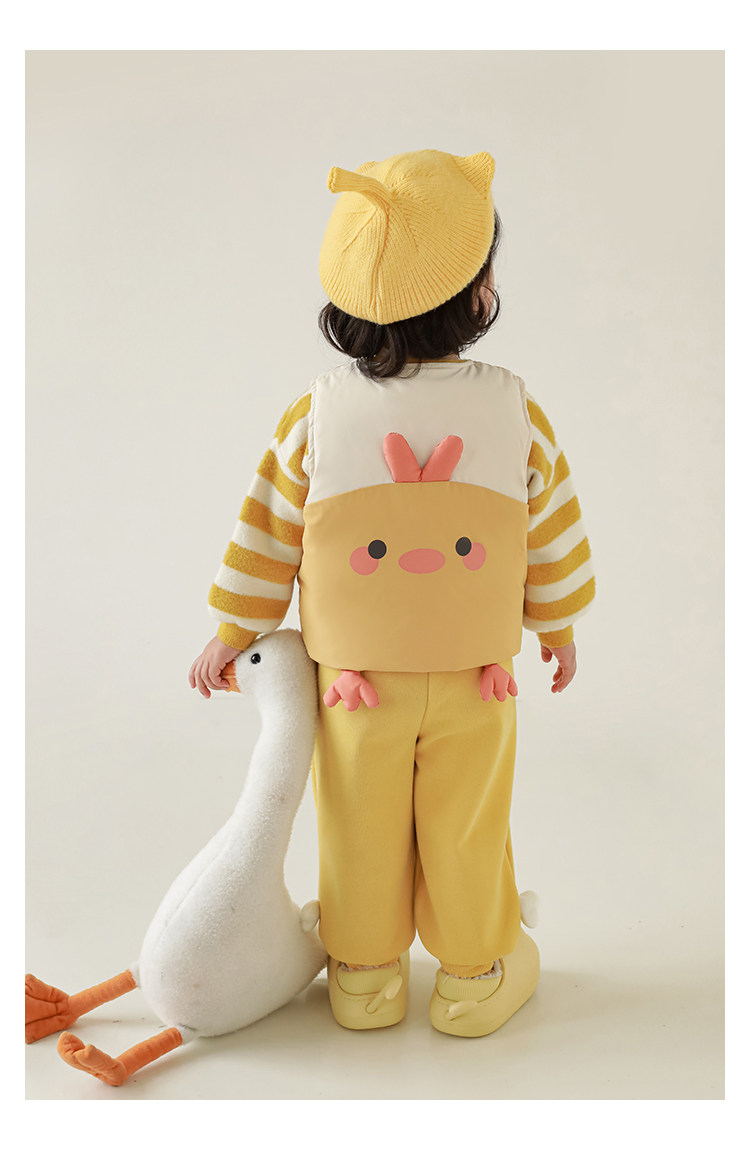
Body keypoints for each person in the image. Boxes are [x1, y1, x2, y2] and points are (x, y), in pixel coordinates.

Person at [188, 149, 595, 1037]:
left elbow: (265, 531)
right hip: (477, 679)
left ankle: (364, 976)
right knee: (467, 823)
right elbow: (552, 534)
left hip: (353, 685)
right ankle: (474, 977)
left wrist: (234, 628)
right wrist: (558, 627)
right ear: (478, 294)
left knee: (358, 822)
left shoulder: (316, 415)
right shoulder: (515, 411)